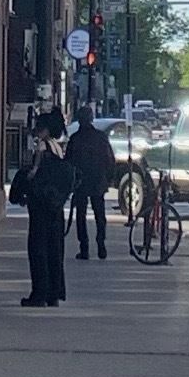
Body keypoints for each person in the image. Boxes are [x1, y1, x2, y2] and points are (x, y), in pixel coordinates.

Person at [15, 111, 68, 306]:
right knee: (55, 249)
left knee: (38, 249)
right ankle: (54, 293)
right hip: (56, 206)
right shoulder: (58, 147)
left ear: (44, 129)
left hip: (41, 205)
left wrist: (24, 183)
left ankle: (39, 294)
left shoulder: (42, 146)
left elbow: (34, 173)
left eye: (39, 127)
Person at [66, 99, 113, 261]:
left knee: (81, 215)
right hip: (98, 181)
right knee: (100, 215)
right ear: (92, 119)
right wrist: (108, 178)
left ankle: (84, 248)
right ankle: (101, 245)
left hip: (81, 183)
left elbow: (68, 163)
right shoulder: (101, 137)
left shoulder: (75, 139)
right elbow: (109, 159)